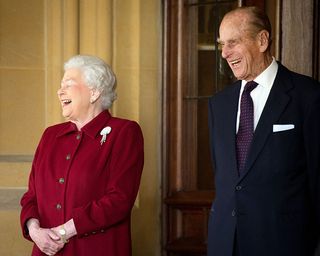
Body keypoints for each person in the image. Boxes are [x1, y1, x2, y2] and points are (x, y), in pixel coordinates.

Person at [207, 6, 320, 256]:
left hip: (285, 244)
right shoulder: (219, 104)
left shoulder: (308, 96)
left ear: (262, 40)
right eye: (222, 44)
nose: (224, 53)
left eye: (233, 43)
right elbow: (227, 178)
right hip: (225, 243)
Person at [20, 55, 144, 256]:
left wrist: (62, 232)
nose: (60, 91)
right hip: (46, 250)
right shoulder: (50, 135)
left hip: (96, 249)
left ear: (94, 92)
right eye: (61, 85)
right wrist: (35, 232)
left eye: (69, 84)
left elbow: (119, 200)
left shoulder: (124, 132)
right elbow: (31, 196)